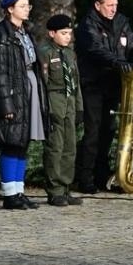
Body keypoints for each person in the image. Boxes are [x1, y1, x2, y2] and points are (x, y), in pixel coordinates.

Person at [74, 0, 133, 194]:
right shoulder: (87, 24)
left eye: (115, 5)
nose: (113, 9)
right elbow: (94, 49)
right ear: (98, 5)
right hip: (93, 85)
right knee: (93, 131)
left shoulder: (121, 22)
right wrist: (118, 62)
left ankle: (102, 175)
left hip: (113, 85)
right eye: (109, 5)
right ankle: (85, 178)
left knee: (108, 131)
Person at [0, 0, 49, 209]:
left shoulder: (26, 32)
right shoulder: (1, 34)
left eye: (28, 6)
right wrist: (7, 105)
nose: (27, 10)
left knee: (22, 142)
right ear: (10, 9)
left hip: (29, 88)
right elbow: (1, 72)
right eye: (22, 6)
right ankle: (9, 194)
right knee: (10, 142)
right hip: (13, 92)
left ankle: (19, 191)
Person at [38, 13, 83, 207]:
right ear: (52, 33)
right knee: (55, 148)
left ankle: (65, 188)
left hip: (70, 102)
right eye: (64, 33)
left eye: (69, 33)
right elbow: (43, 84)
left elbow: (76, 83)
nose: (68, 37)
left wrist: (80, 107)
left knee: (70, 147)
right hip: (54, 102)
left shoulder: (70, 54)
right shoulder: (45, 52)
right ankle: (54, 190)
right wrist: (46, 108)